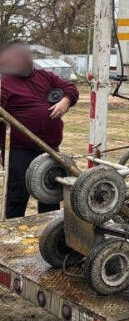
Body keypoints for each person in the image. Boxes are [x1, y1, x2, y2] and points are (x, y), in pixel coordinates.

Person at [0, 41, 79, 218]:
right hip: (20, 151)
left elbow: (71, 88)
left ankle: (50, 233)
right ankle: (14, 237)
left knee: (50, 195)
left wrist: (65, 101)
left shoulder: (46, 76)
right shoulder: (4, 84)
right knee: (16, 197)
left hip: (50, 149)